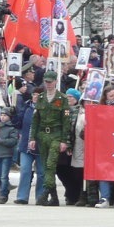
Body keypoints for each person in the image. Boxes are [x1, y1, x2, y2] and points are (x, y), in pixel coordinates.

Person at [29, 70, 71, 206]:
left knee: (50, 164)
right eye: (46, 81)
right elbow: (35, 120)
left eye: (50, 81)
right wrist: (32, 138)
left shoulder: (62, 99)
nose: (48, 84)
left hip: (56, 135)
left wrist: (64, 140)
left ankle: (46, 192)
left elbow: (66, 121)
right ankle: (54, 197)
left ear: (55, 82)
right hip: (43, 135)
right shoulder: (41, 98)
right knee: (45, 166)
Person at [0, 108, 20, 204]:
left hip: (6, 155)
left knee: (4, 176)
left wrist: (2, 141)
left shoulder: (11, 128)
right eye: (1, 115)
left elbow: (13, 141)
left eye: (5, 115)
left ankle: (3, 195)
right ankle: (6, 188)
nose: (2, 117)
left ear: (9, 117)